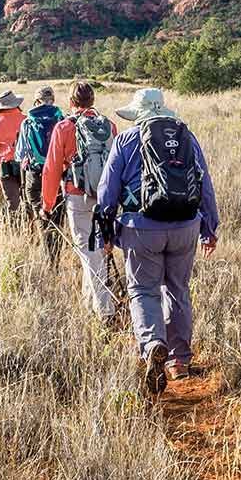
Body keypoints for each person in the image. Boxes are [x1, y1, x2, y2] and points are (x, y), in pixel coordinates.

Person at [96, 87, 219, 391]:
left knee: (143, 290)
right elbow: (204, 184)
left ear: (139, 113)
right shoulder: (186, 137)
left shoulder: (126, 139)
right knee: (178, 289)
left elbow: (107, 189)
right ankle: (179, 361)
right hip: (186, 225)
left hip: (140, 226)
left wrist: (106, 230)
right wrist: (210, 227)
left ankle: (152, 344)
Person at [43, 81, 118, 319]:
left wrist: (47, 204)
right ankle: (90, 307)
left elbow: (52, 168)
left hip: (77, 197)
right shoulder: (110, 126)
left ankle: (106, 311)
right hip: (106, 198)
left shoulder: (64, 127)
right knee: (96, 252)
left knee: (88, 253)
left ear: (71, 102)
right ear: (92, 100)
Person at [15, 86, 65, 252]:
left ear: (36, 101)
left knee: (41, 215)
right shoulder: (62, 119)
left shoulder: (27, 122)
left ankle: (47, 252)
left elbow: (20, 154)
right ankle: (55, 252)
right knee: (57, 216)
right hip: (57, 174)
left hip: (34, 174)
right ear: (53, 100)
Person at [0, 90, 27, 216]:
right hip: (24, 167)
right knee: (27, 201)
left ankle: (12, 229)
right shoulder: (25, 120)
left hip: (5, 168)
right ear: (16, 104)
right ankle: (29, 229)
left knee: (13, 204)